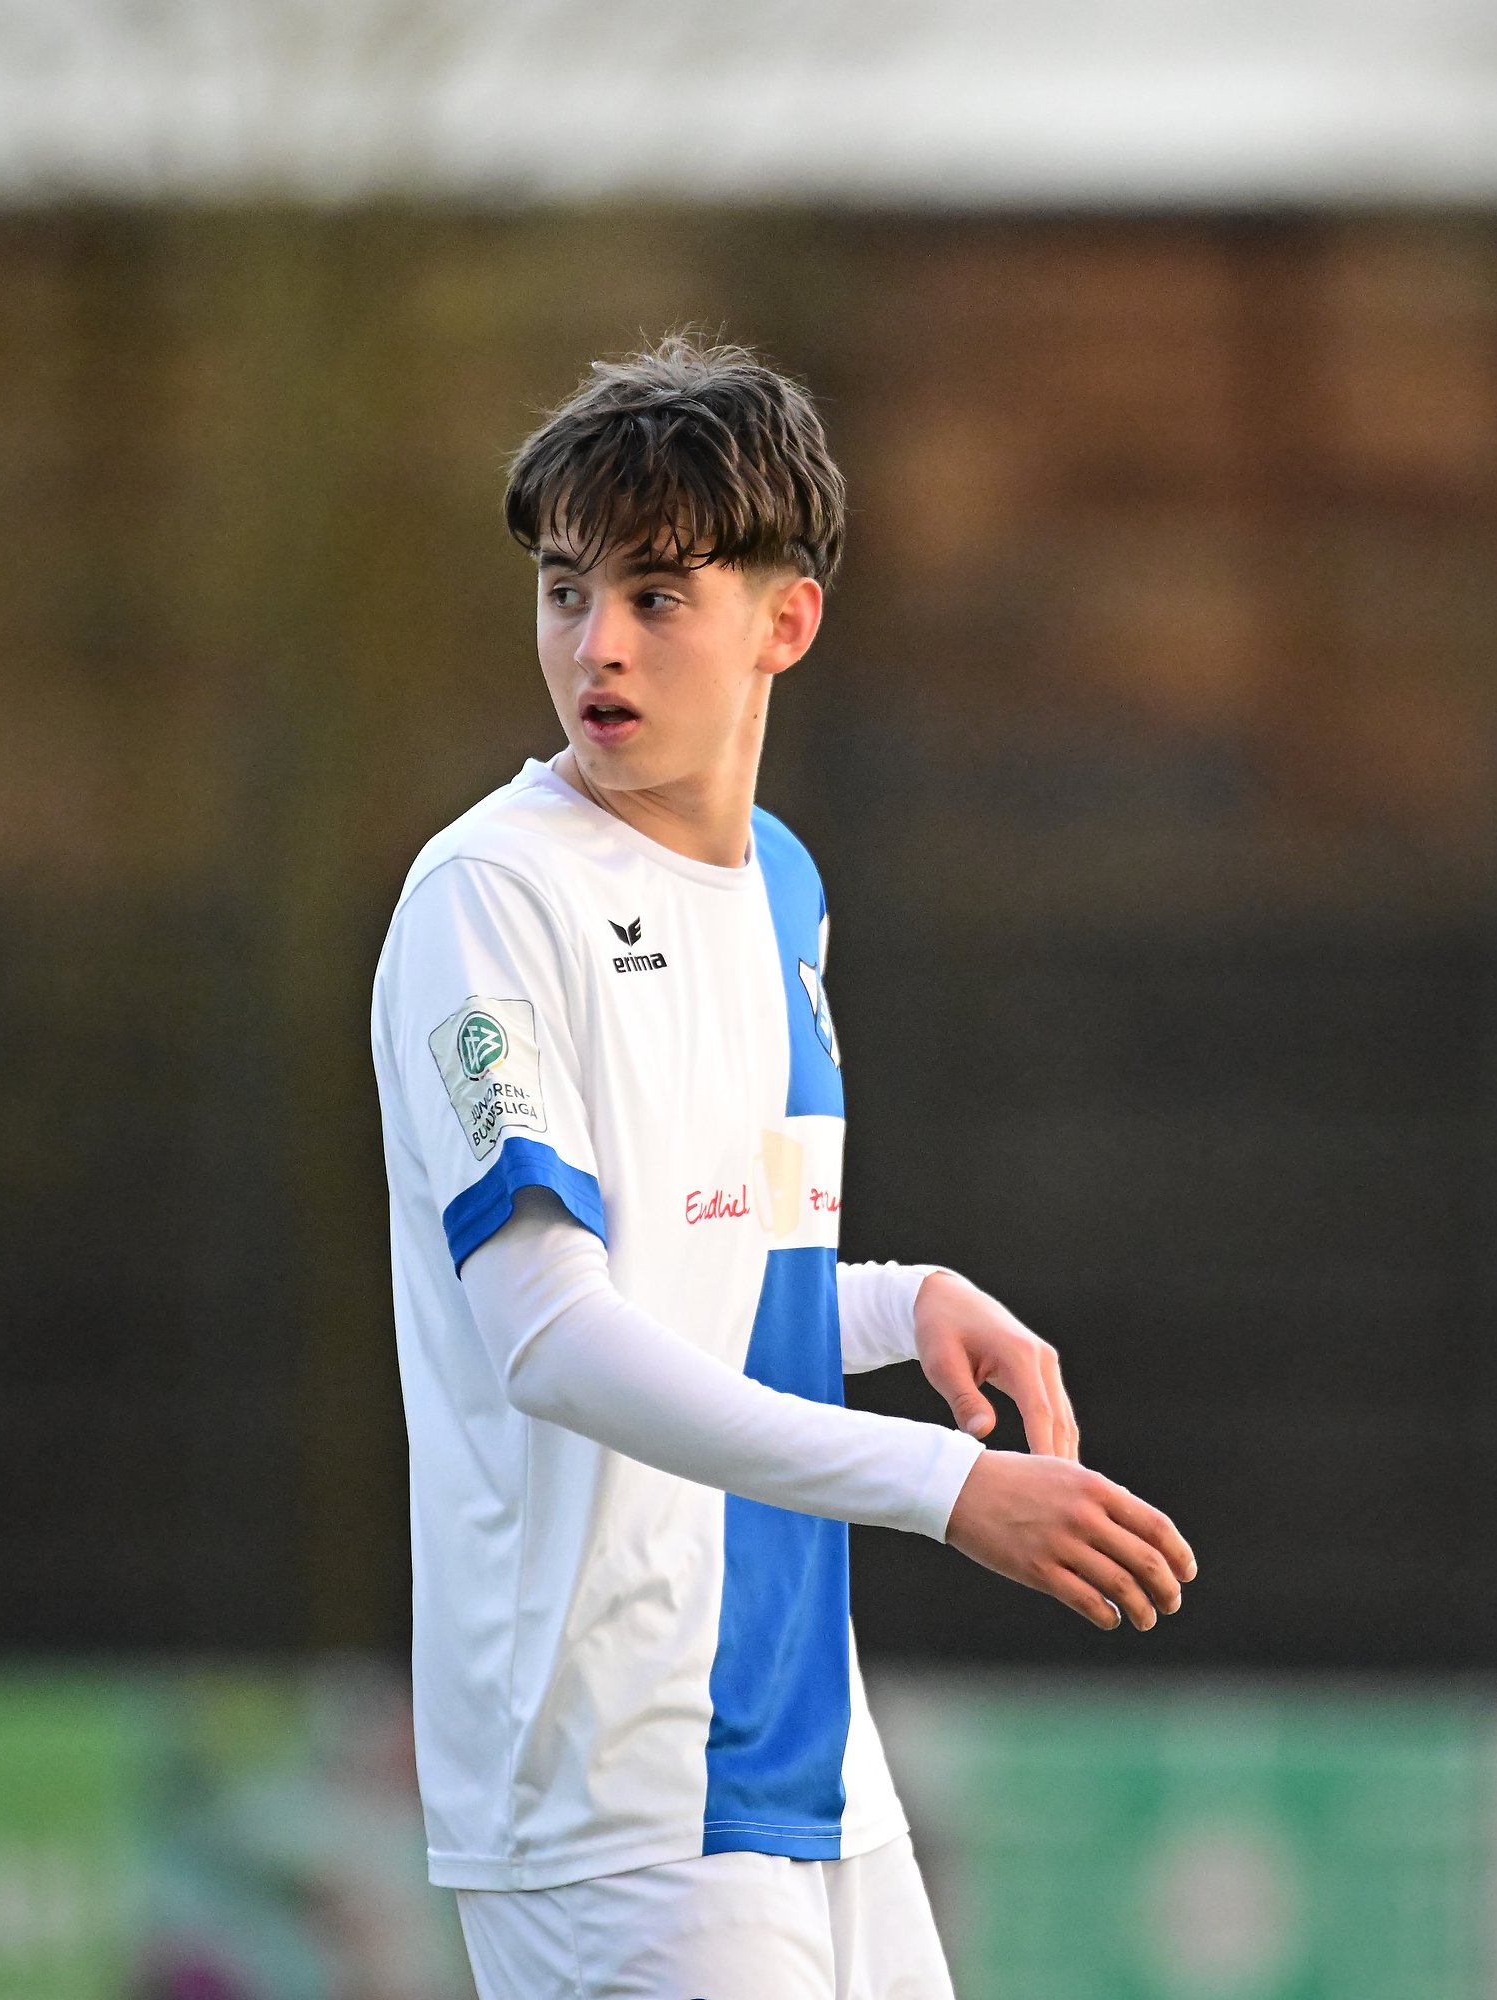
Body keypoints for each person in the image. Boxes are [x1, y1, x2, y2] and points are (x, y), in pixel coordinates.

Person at [368, 333, 1196, 2000]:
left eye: (659, 593)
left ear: (784, 621)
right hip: (607, 1785)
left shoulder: (786, 896)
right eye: (561, 587)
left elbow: (713, 1263)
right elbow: (550, 1339)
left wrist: (897, 1302)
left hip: (802, 1754)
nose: (595, 643)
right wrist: (946, 1488)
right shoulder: (487, 900)